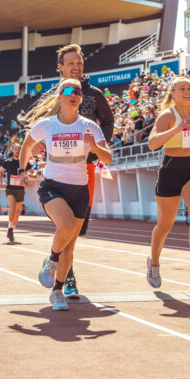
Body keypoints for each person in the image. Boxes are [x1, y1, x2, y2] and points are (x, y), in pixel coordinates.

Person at [19, 79, 112, 311]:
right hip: (53, 186)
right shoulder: (46, 125)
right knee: (67, 225)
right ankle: (51, 261)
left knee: (69, 247)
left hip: (80, 189)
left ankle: (57, 291)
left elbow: (108, 158)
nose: (75, 94)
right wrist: (23, 170)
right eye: (69, 91)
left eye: (78, 92)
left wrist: (95, 147)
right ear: (60, 96)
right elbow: (27, 145)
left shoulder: (89, 126)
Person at [52, 44, 115, 298]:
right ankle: (65, 274)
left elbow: (108, 121)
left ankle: (64, 271)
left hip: (85, 167)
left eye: (79, 62)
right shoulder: (55, 95)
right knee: (64, 225)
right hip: (56, 170)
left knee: (75, 227)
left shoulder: (94, 94)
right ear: (61, 67)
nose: (76, 66)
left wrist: (99, 147)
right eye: (71, 63)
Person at [145, 76, 190, 287]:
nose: (187, 92)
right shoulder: (166, 116)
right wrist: (175, 129)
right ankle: (154, 263)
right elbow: (152, 144)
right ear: (172, 93)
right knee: (165, 225)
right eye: (182, 88)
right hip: (170, 170)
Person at [0, 142, 26, 242]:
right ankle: (9, 228)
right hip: (10, 189)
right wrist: (0, 182)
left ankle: (12, 231)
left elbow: (33, 171)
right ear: (12, 150)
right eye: (16, 149)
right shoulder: (8, 162)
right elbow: (0, 172)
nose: (17, 151)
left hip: (20, 190)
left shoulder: (24, 162)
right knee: (12, 207)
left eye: (19, 149)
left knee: (17, 213)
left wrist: (33, 175)